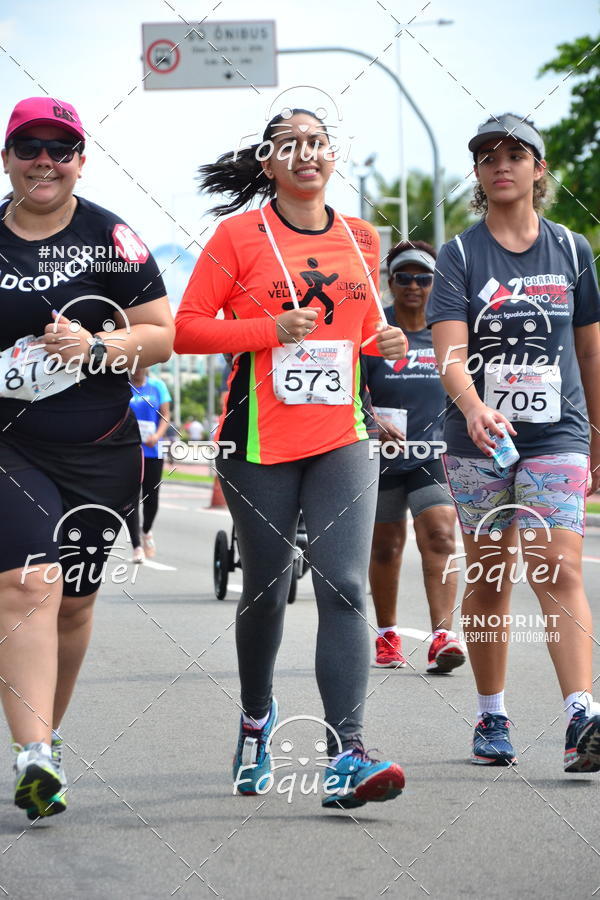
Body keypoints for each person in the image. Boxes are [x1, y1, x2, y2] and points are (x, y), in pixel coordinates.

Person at [175, 108, 407, 808]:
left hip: (342, 435)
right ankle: (255, 716)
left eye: (317, 142)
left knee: (343, 584)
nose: (306, 154)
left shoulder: (362, 238)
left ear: (331, 156)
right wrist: (268, 330)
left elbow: (359, 333)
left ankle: (349, 755)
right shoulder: (237, 236)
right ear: (269, 163)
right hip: (258, 441)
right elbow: (187, 331)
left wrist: (384, 344)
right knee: (267, 587)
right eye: (289, 146)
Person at [0, 97, 174, 819]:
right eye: (30, 146)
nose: (46, 160)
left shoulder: (115, 238)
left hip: (99, 448)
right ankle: (33, 755)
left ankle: (50, 738)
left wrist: (99, 347)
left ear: (80, 159)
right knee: (28, 585)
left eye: (61, 148)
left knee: (74, 603)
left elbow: (162, 334)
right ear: (8, 157)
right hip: (10, 444)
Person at [428, 113, 600, 770]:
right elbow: (449, 354)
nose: (501, 164)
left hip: (558, 432)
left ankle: (580, 715)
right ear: (477, 174)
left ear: (539, 169)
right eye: (488, 156)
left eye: (515, 153)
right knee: (494, 574)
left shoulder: (573, 250)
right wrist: (471, 406)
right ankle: (491, 713)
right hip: (479, 443)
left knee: (558, 566)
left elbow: (589, 349)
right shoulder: (462, 255)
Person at [364, 241, 464, 672]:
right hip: (381, 454)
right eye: (403, 277)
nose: (413, 286)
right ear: (391, 283)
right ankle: (387, 634)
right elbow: (348, 387)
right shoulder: (374, 329)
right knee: (386, 547)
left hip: (433, 455)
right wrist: (370, 420)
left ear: (434, 283)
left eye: (423, 278)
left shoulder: (449, 330)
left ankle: (443, 635)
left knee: (441, 536)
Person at [128, 367, 172, 562]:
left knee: (151, 496)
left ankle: (146, 530)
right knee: (129, 498)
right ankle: (136, 546)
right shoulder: (123, 387)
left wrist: (158, 435)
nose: (137, 370)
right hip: (129, 450)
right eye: (133, 366)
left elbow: (165, 416)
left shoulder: (158, 386)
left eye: (141, 366)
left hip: (154, 449)